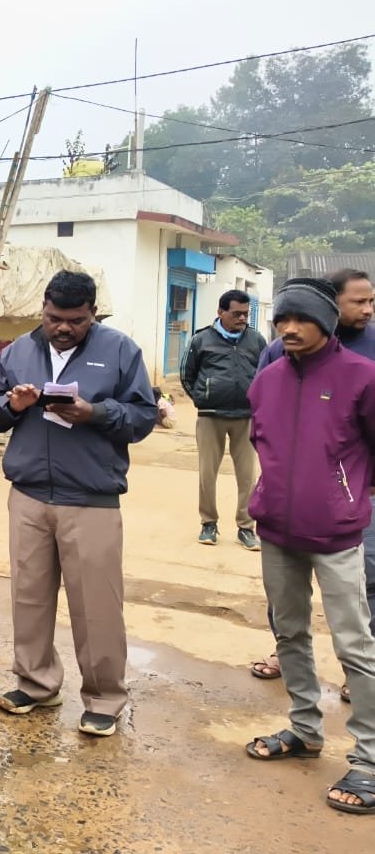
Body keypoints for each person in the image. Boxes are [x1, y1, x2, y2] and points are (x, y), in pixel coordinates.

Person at [0, 270, 156, 737]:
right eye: (53, 318)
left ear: (93, 313)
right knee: (29, 597)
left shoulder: (120, 351)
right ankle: (36, 683)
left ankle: (104, 698)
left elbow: (142, 417)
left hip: (90, 498)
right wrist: (14, 406)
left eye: (75, 320)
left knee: (96, 606)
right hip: (29, 494)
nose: (62, 328)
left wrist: (94, 413)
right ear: (43, 309)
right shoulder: (18, 351)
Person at [244, 277, 375, 815]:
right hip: (277, 531)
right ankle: (304, 729)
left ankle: (369, 759)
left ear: (327, 323)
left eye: (302, 320)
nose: (290, 329)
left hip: (337, 535)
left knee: (354, 645)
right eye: (282, 319)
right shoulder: (267, 380)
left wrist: (347, 496)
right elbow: (262, 442)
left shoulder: (362, 376)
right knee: (289, 633)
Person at [180, 289, 266, 550]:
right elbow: (187, 374)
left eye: (245, 314)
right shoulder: (201, 339)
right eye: (236, 313)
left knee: (248, 475)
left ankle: (246, 527)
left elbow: (266, 374)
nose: (242, 318)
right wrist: (201, 398)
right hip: (211, 416)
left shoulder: (256, 340)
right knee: (207, 473)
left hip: (246, 417)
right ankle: (209, 523)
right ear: (220, 312)